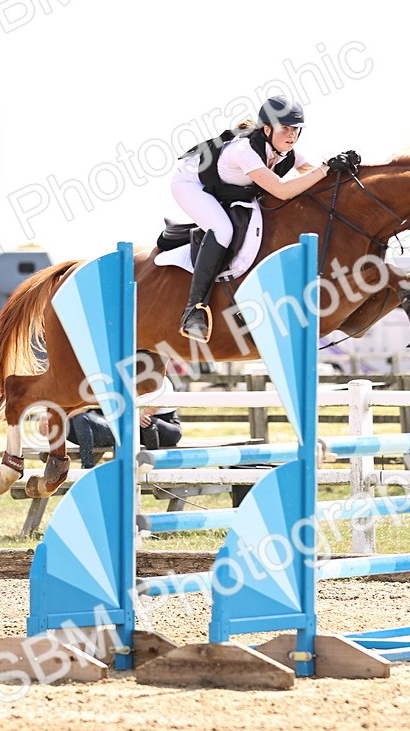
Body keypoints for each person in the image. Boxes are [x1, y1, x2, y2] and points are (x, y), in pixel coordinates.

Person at [171, 95, 360, 343]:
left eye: (296, 130)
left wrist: (339, 169)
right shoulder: (243, 150)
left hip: (227, 189)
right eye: (285, 129)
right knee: (222, 229)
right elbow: (282, 190)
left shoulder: (288, 154)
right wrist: (325, 167)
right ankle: (193, 310)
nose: (292, 135)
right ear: (267, 129)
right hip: (191, 184)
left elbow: (314, 178)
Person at [44, 376, 183, 469]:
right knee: (121, 426)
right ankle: (115, 467)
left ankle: (152, 469)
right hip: (137, 426)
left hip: (166, 426)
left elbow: (151, 409)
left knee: (144, 422)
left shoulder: (159, 378)